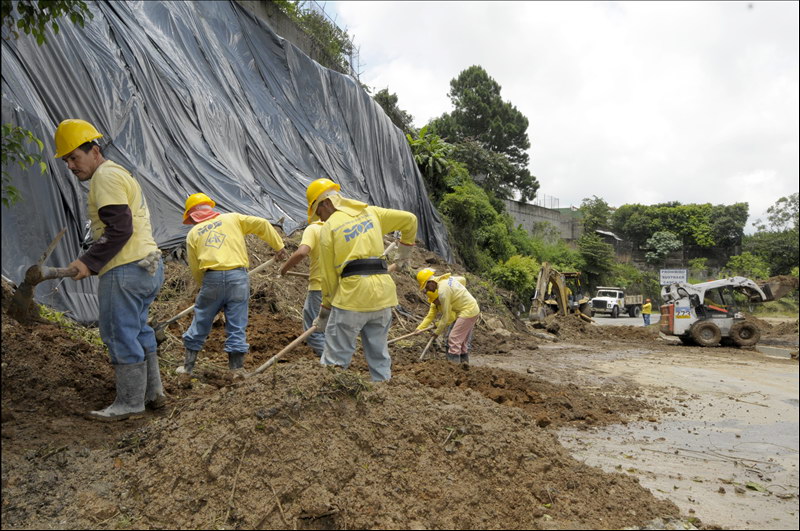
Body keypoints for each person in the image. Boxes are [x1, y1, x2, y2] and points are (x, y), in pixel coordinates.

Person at [54, 119, 165, 421]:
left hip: (125, 269)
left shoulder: (105, 177)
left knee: (118, 333)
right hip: (148, 266)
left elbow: (119, 229)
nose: (70, 166)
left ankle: (130, 403)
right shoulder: (119, 174)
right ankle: (153, 393)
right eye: (66, 160)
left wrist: (88, 262)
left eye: (74, 157)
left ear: (95, 151)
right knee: (139, 329)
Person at [306, 178, 416, 382]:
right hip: (382, 297)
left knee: (335, 360)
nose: (320, 219)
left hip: (352, 298)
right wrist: (403, 255)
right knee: (379, 356)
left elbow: (328, 277)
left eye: (318, 213)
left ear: (326, 204)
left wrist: (325, 312)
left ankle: (330, 402)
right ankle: (384, 397)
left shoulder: (329, 228)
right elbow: (409, 219)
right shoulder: (371, 212)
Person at [178, 193, 286, 374]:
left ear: (193, 216)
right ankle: (237, 371)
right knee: (237, 323)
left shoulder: (193, 233)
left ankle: (187, 367)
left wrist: (203, 287)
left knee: (201, 320)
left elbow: (195, 268)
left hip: (211, 278)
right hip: (238, 279)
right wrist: (279, 246)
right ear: (210, 208)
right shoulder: (232, 218)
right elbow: (262, 224)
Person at [279, 220, 326, 357]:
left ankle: (332, 364)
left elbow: (302, 252)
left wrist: (284, 268)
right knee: (331, 329)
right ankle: (339, 361)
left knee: (314, 330)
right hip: (342, 288)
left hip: (320, 287)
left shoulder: (314, 229)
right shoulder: (340, 229)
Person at [416, 268, 480, 364]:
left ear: (430, 282)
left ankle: (454, 369)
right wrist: (460, 294)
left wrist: (437, 332)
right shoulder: (447, 280)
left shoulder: (442, 292)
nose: (427, 290)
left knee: (453, 339)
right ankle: (464, 369)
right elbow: (462, 279)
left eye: (426, 287)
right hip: (471, 308)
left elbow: (446, 317)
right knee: (461, 342)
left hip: (468, 311)